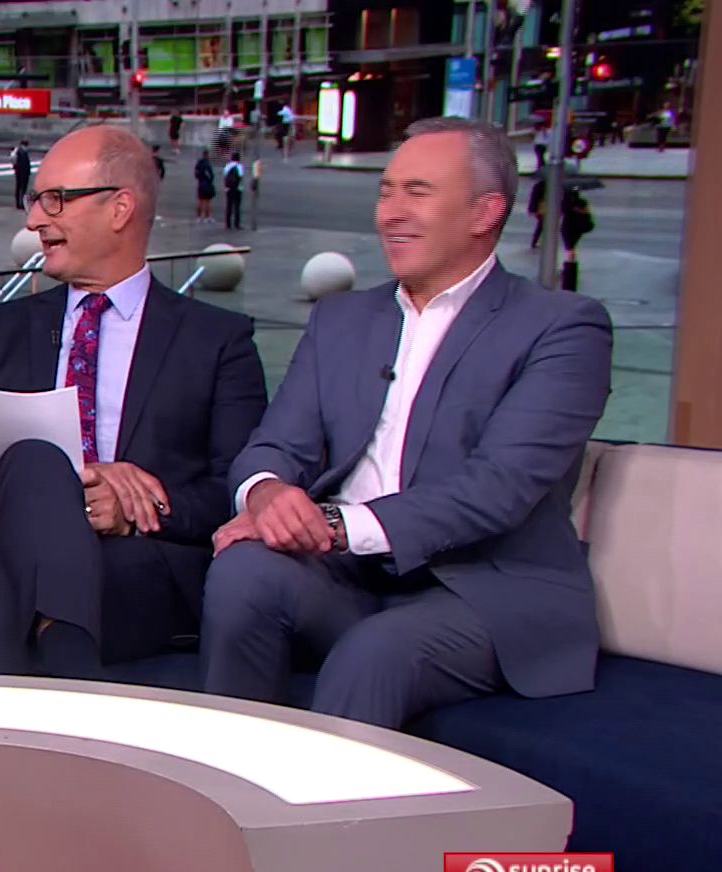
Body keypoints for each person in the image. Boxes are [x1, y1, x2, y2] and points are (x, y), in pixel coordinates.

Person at [200, 117, 613, 729]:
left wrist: (332, 526)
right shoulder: (341, 320)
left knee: (377, 653)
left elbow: (496, 488)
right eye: (386, 192)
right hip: (349, 576)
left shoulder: (563, 328)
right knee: (242, 572)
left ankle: (318, 798)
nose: (390, 213)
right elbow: (275, 445)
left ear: (486, 212)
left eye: (417, 193)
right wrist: (267, 496)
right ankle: (228, 776)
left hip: (487, 589)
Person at [0, 126, 267, 678]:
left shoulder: (218, 341)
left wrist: (134, 508)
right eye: (36, 200)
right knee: (36, 459)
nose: (35, 220)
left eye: (55, 199)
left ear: (120, 208)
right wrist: (66, 476)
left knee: (2, 582)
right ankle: (76, 677)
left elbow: (237, 488)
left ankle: (39, 689)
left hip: (133, 563)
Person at [223, 152, 245, 229]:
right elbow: (241, 177)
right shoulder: (239, 166)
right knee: (237, 206)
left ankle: (228, 224)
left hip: (229, 188)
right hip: (237, 188)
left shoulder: (227, 166)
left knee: (229, 205)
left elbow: (225, 176)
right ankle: (236, 224)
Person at [194, 149, 217, 223]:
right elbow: (211, 175)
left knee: (200, 201)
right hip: (207, 183)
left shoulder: (199, 163)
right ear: (207, 155)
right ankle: (208, 217)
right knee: (208, 201)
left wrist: (199, 178)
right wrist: (210, 180)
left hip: (200, 183)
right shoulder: (208, 164)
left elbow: (196, 173)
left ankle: (199, 217)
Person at [13, 139, 34, 210]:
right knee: (22, 189)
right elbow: (24, 164)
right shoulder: (23, 152)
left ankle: (18, 203)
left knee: (18, 188)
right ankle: (21, 204)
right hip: (23, 173)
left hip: (19, 172)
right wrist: (27, 172)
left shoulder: (18, 151)